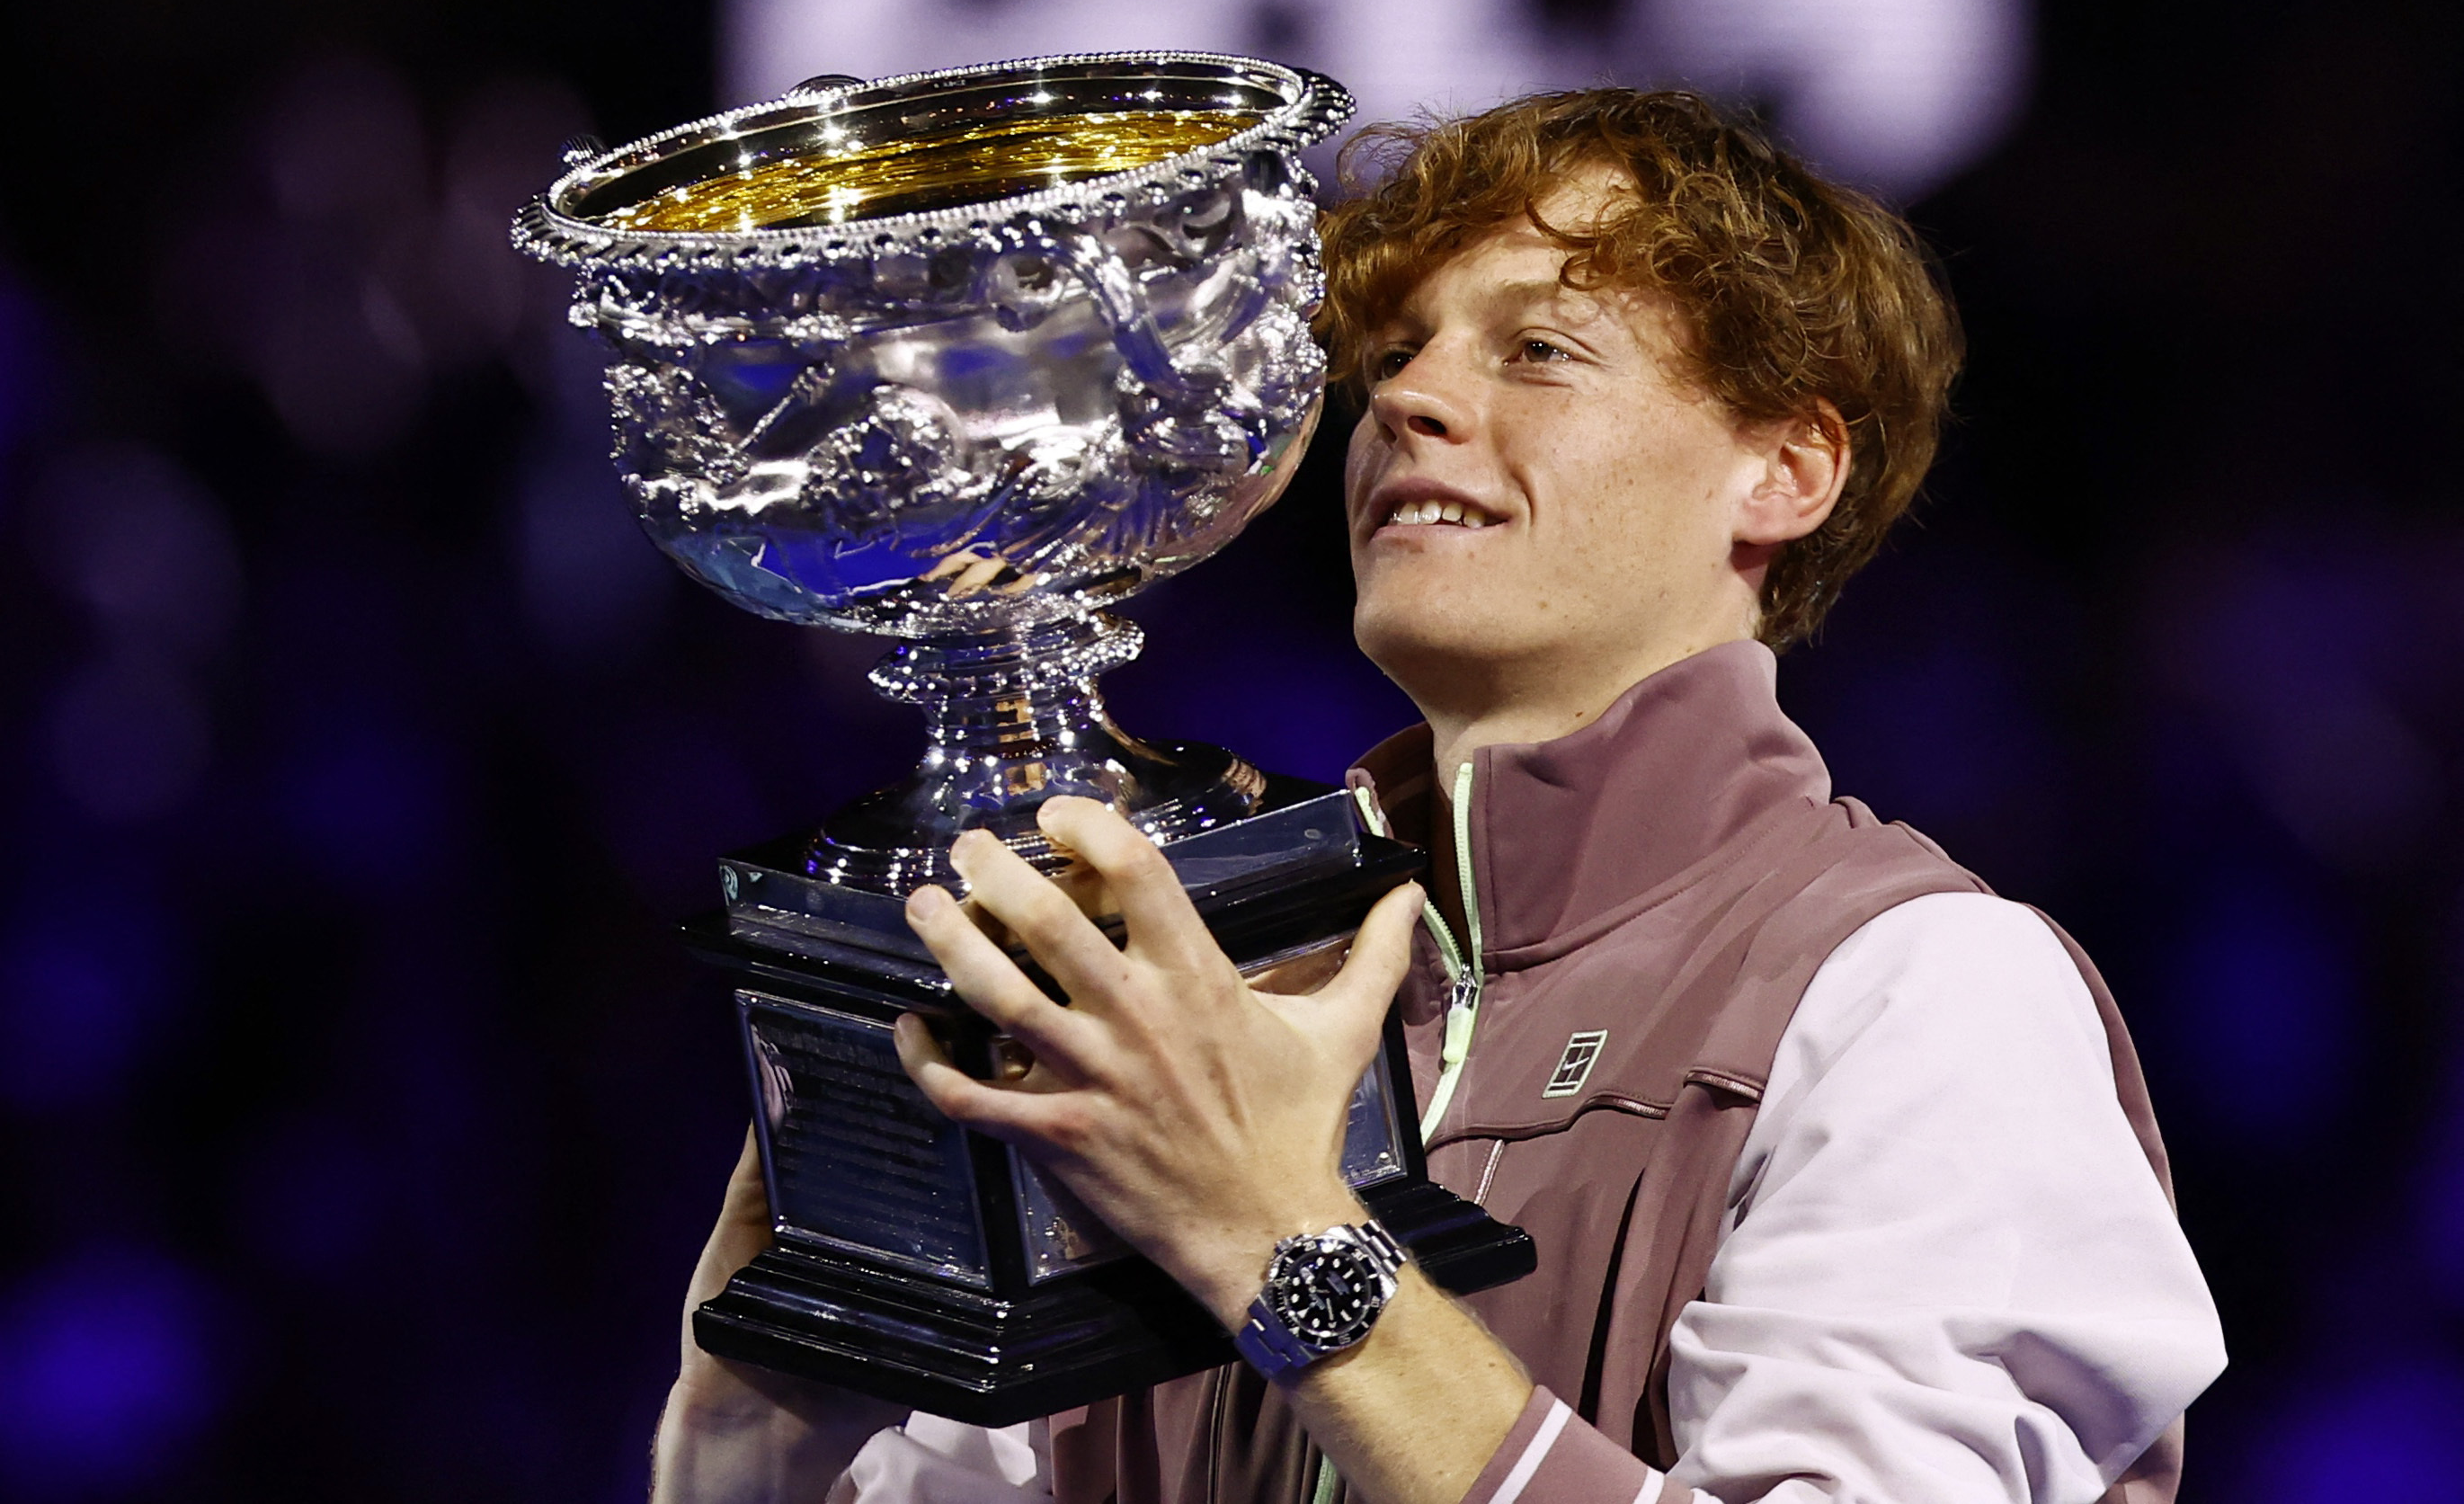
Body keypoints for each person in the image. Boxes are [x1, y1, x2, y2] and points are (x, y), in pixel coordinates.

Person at [647, 90, 2227, 1504]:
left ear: (1783, 470)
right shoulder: (1211, 1005)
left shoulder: (1914, 989)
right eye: (1393, 352)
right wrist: (743, 1449)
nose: (1403, 399)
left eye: (1538, 348)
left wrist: (1281, 1245)